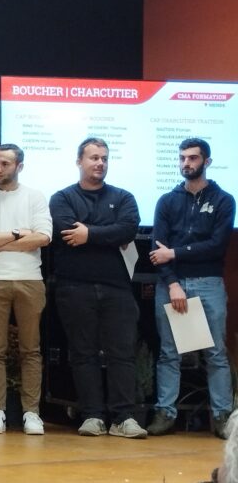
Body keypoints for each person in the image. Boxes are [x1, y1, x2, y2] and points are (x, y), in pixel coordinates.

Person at [49, 137, 146, 439]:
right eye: (93, 158)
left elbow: (128, 229)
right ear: (79, 161)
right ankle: (92, 415)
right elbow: (67, 231)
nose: (99, 163)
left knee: (122, 354)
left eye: (104, 158)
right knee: (83, 353)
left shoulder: (124, 196)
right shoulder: (62, 198)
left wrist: (89, 232)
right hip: (73, 287)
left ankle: (124, 418)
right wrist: (108, 234)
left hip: (117, 287)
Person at [147, 138, 235, 439]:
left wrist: (176, 252)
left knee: (216, 353)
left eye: (193, 158)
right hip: (172, 284)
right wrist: (172, 282)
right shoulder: (167, 201)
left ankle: (223, 416)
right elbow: (157, 248)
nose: (187, 163)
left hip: (208, 282)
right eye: (182, 158)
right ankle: (165, 413)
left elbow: (216, 245)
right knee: (169, 354)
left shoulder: (224, 200)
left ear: (206, 162)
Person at [0, 144, 52, 435]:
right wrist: (18, 234)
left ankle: (32, 413)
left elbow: (42, 237)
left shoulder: (35, 197)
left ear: (20, 166)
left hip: (30, 279)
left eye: (5, 163)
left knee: (31, 349)